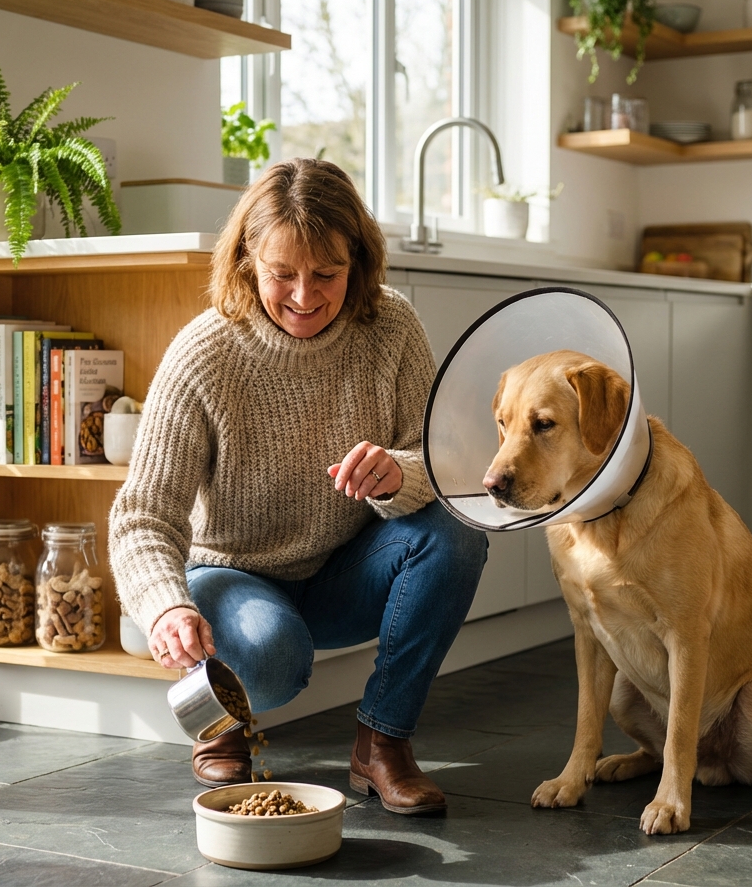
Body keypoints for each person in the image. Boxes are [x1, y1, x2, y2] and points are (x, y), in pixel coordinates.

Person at [108, 158, 487, 814]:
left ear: (357, 264)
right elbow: (142, 517)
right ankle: (221, 717)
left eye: (327, 275)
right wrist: (165, 608)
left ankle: (383, 742)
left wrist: (399, 473)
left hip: (344, 571)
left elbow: (442, 463)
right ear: (248, 261)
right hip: (232, 578)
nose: (305, 296)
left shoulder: (391, 327)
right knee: (271, 658)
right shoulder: (204, 353)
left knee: (457, 534)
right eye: (282, 274)